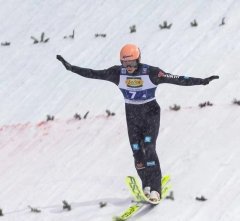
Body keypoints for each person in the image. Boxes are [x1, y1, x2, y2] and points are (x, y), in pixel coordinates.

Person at [56, 44, 219, 202]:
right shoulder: (117, 73)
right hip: (132, 115)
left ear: (139, 60)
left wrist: (202, 81)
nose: (129, 67)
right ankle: (146, 185)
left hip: (150, 114)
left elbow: (177, 79)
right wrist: (72, 68)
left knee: (149, 148)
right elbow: (93, 73)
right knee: (137, 153)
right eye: (125, 63)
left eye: (132, 63)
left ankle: (156, 189)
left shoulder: (152, 73)